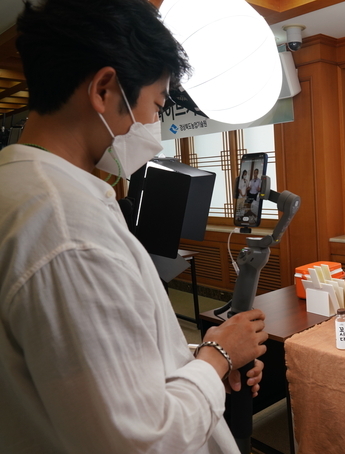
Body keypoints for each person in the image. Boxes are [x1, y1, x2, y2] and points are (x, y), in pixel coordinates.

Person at [0, 1, 267, 453]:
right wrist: (218, 358)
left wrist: (202, 359)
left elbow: (90, 370)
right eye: (156, 105)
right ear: (104, 89)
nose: (153, 126)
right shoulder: (68, 229)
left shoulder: (21, 188)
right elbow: (142, 439)